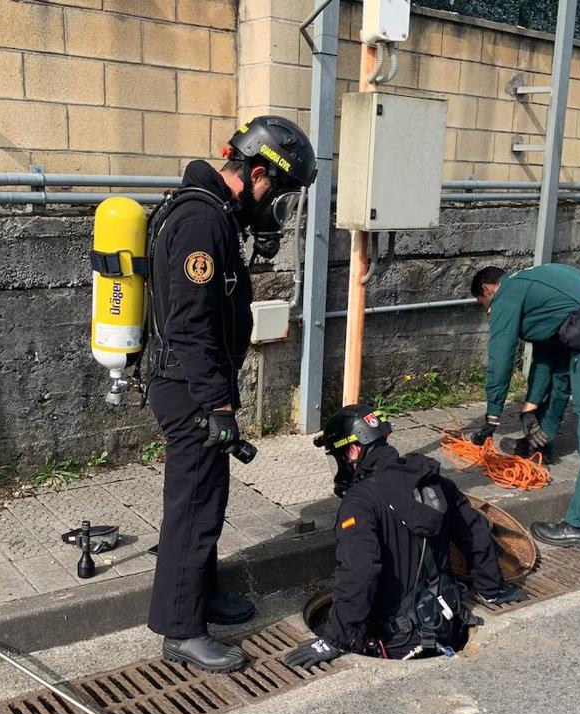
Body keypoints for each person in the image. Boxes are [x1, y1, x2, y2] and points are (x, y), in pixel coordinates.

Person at [147, 116, 315, 673]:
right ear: (259, 173)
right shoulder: (200, 222)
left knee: (209, 498)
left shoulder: (212, 213)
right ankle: (182, 628)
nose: (279, 208)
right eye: (281, 196)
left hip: (195, 383)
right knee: (193, 506)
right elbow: (191, 325)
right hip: (189, 387)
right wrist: (219, 403)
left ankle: (203, 594)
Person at [284, 405, 528, 669]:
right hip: (447, 622)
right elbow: (476, 531)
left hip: (396, 641)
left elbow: (360, 571)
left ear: (353, 451)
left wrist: (335, 640)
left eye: (339, 456)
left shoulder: (360, 501)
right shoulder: (433, 480)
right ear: (385, 439)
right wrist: (492, 589)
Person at [469, 264, 580, 551]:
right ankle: (541, 446)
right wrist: (529, 409)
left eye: (484, 305)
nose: (488, 312)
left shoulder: (507, 293)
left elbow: (500, 356)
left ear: (488, 289)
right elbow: (549, 358)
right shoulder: (535, 282)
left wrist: (493, 415)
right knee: (565, 374)